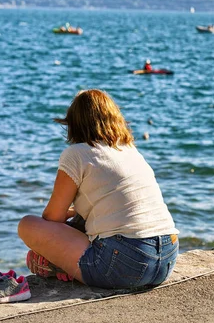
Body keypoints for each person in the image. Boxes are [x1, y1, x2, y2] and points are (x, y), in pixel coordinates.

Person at [18, 89, 179, 289]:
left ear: (74, 124)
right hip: (167, 260)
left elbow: (53, 217)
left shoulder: (76, 153)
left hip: (125, 265)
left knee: (27, 224)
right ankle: (62, 264)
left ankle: (60, 265)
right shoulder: (130, 150)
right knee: (81, 219)